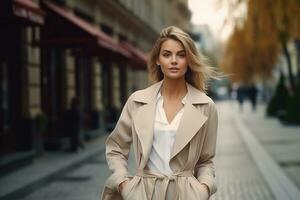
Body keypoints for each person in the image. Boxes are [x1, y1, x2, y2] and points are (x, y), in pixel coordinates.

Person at [101, 26, 218, 200]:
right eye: (166, 54)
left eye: (181, 54)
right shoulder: (137, 101)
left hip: (186, 195)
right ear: (157, 60)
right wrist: (124, 184)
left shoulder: (205, 106)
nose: (173, 61)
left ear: (189, 60)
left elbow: (206, 160)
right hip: (144, 194)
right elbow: (116, 147)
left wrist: (203, 189)